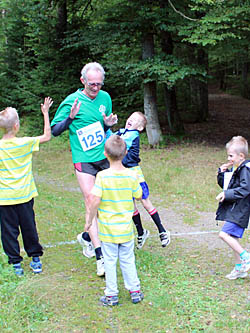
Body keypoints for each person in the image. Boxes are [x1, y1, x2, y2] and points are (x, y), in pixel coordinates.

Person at [51, 62, 117, 277]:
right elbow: (54, 131)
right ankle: (101, 257)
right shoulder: (72, 101)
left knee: (106, 201)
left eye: (99, 84)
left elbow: (103, 127)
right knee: (91, 200)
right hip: (83, 159)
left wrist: (107, 123)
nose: (96, 88)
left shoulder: (105, 98)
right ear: (83, 81)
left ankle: (87, 237)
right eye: (92, 84)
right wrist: (70, 118)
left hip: (103, 157)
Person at [85, 135, 144, 306]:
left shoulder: (102, 177)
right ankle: (135, 291)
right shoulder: (131, 175)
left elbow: (94, 200)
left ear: (105, 154)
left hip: (108, 230)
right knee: (128, 259)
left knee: (109, 261)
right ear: (125, 153)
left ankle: (112, 295)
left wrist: (89, 221)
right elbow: (139, 195)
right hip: (126, 229)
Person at [0, 97, 53, 276]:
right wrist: (45, 113)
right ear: (16, 126)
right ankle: (35, 260)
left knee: (8, 231)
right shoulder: (25, 143)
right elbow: (47, 136)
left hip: (4, 198)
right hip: (24, 195)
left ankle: (16, 264)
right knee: (29, 227)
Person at [106, 112, 171, 249]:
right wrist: (106, 126)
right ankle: (141, 233)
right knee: (131, 207)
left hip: (134, 175)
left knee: (145, 203)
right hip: (123, 175)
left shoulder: (132, 135)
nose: (130, 120)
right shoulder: (122, 132)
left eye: (135, 120)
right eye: (130, 117)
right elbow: (110, 138)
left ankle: (162, 231)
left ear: (140, 128)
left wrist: (112, 137)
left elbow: (117, 144)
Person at [216, 136, 250, 280]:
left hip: (240, 209)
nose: (229, 158)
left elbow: (245, 188)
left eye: (231, 155)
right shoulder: (236, 168)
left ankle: (246, 257)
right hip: (234, 208)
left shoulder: (246, 169)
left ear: (241, 156)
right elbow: (227, 186)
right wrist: (221, 173)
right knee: (233, 238)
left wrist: (226, 194)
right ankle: (239, 269)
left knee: (223, 234)